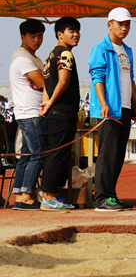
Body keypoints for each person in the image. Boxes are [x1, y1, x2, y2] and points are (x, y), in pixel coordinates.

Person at [89, 7, 136, 212]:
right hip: (109, 109)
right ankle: (101, 198)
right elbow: (97, 77)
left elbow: (131, 79)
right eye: (120, 24)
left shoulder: (128, 51)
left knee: (118, 155)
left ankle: (111, 196)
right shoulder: (101, 48)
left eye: (127, 24)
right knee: (107, 154)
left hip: (125, 108)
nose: (124, 28)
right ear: (109, 24)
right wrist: (103, 103)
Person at [39, 17, 81, 211]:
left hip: (54, 111)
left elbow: (46, 85)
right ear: (60, 34)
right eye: (71, 31)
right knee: (57, 153)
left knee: (55, 152)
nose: (76, 35)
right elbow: (63, 82)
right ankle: (49, 197)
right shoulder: (65, 54)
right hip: (62, 111)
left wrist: (46, 104)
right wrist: (50, 104)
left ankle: (50, 195)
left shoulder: (50, 56)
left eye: (77, 31)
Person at [9, 19, 47, 210]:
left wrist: (41, 83)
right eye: (32, 36)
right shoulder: (22, 58)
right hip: (30, 112)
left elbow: (41, 83)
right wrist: (42, 84)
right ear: (23, 37)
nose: (37, 40)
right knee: (38, 154)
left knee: (26, 155)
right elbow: (45, 83)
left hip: (29, 112)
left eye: (40, 36)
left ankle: (19, 195)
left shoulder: (35, 59)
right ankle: (26, 196)